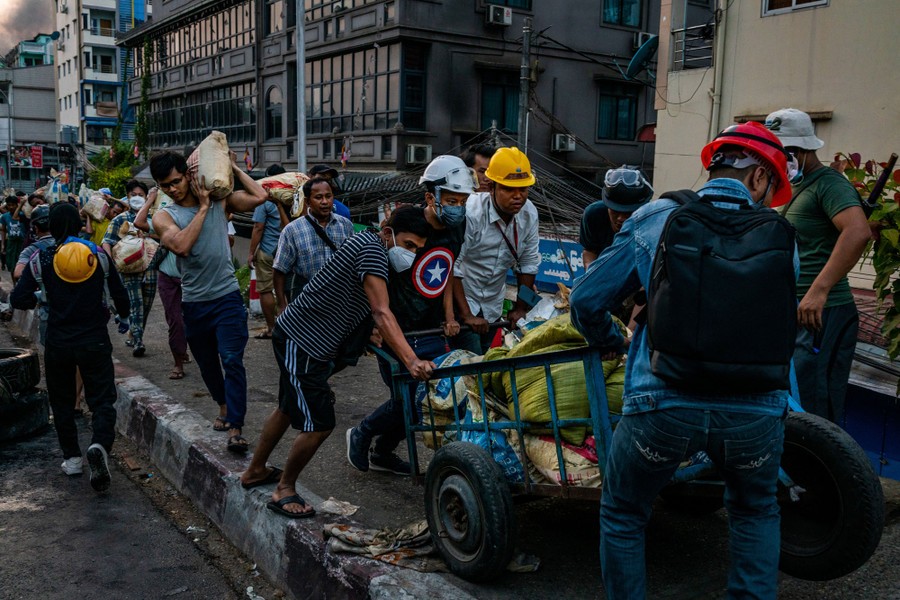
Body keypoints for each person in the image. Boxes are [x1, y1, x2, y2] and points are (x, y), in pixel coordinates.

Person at [570, 122, 797, 599]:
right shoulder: (783, 239)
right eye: (772, 186)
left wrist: (608, 339)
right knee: (755, 512)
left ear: (714, 164)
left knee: (625, 512)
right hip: (754, 412)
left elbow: (587, 300)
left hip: (662, 404)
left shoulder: (656, 217)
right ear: (759, 178)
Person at [239, 205, 436, 518]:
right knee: (319, 424)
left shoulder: (368, 246)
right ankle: (284, 489)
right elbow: (381, 311)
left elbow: (351, 297)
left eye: (418, 249)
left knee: (288, 408)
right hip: (303, 341)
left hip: (303, 338)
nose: (411, 254)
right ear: (388, 234)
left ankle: (255, 470)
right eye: (409, 245)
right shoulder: (373, 251)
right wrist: (412, 360)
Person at [347, 155, 477, 475]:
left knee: (425, 402)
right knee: (406, 399)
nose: (458, 206)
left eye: (463, 200)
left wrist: (450, 317)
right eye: (452, 199)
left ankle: (384, 451)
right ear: (431, 197)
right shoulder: (405, 222)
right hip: (395, 327)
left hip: (431, 329)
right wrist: (371, 324)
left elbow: (444, 272)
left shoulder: (457, 228)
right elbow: (375, 277)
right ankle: (362, 434)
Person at [150, 151, 268, 454]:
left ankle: (236, 427)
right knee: (207, 364)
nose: (173, 189)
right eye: (165, 186)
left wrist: (234, 168)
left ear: (188, 175)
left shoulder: (221, 200)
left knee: (231, 359)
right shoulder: (164, 216)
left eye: (176, 181)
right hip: (194, 301)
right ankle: (223, 406)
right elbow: (182, 247)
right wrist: (202, 208)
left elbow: (259, 197)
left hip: (227, 297)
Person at [11, 203, 131, 492]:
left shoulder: (41, 259)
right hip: (95, 339)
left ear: (50, 227)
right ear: (79, 225)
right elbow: (118, 292)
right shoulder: (97, 254)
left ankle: (73, 459)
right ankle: (99, 445)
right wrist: (124, 317)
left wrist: (39, 297)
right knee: (102, 399)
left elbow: (18, 299)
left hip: (58, 341)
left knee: (62, 400)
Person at [765, 108, 871, 424]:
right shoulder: (787, 186)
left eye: (788, 150)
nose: (782, 157)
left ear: (806, 148)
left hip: (822, 311)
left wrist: (818, 291)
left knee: (815, 402)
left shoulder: (829, 184)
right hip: (792, 308)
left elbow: (858, 231)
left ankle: (822, 474)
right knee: (791, 399)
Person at [453, 146, 540, 353]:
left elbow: (528, 263)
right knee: (472, 366)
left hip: (493, 304)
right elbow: (453, 266)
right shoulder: (471, 212)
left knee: (486, 362)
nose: (518, 196)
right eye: (509, 189)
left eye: (523, 189)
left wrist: (520, 308)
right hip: (464, 300)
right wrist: (466, 315)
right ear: (492, 187)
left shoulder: (529, 213)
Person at [134, 187, 190, 380]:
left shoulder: (194, 214)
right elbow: (139, 222)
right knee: (174, 321)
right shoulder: (162, 217)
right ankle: (178, 363)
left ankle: (184, 350)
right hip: (168, 275)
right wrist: (150, 200)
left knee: (193, 320)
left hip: (192, 277)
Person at [272, 176, 354, 306]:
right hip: (306, 302)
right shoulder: (292, 230)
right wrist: (282, 305)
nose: (325, 202)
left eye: (328, 196)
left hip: (341, 302)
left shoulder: (346, 226)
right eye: (318, 197)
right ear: (307, 202)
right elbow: (279, 270)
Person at [102, 180, 157, 358]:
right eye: (133, 195)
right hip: (128, 271)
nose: (137, 198)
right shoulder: (121, 219)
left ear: (147, 197)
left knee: (146, 306)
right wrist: (111, 265)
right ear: (127, 197)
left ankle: (134, 332)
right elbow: (107, 242)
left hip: (150, 269)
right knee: (136, 304)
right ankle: (138, 341)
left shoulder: (155, 218)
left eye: (141, 195)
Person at [580, 166, 654, 269]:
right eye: (615, 211)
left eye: (628, 213)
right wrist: (591, 274)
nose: (620, 218)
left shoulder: (653, 223)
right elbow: (589, 251)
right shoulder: (594, 215)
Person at [248, 168, 288, 339]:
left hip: (268, 250)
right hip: (287, 252)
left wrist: (251, 252)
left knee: (266, 290)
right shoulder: (290, 197)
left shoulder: (265, 199)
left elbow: (258, 227)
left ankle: (272, 328)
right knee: (286, 291)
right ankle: (289, 328)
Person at [1, 195, 25, 280]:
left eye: (13, 205)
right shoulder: (5, 216)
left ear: (17, 205)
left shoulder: (23, 215)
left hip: (22, 243)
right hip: (11, 243)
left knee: (22, 265)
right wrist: (3, 244)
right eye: (9, 205)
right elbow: (3, 230)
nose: (11, 207)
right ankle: (15, 286)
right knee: (11, 266)